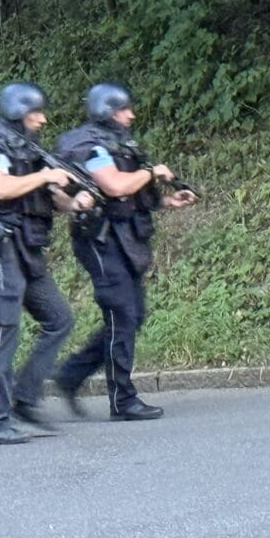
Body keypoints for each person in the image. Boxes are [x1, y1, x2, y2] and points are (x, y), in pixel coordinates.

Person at [54, 84, 197, 420]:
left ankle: (71, 374)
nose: (131, 115)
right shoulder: (90, 146)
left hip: (124, 239)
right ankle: (122, 399)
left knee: (132, 316)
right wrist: (151, 172)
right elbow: (115, 185)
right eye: (124, 110)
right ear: (107, 111)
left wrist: (167, 200)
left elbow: (129, 198)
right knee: (121, 313)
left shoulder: (118, 142)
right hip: (100, 241)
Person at [0, 83, 92, 445]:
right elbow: (0, 189)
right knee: (6, 327)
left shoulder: (29, 149)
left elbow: (44, 196)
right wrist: (47, 175)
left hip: (26, 248)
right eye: (37, 112)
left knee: (58, 319)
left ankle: (23, 399)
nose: (43, 119)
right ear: (18, 111)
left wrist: (75, 201)